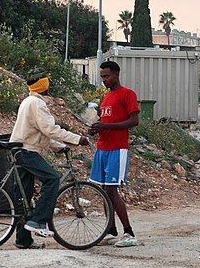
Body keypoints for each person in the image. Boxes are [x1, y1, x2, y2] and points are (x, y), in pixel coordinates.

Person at [10, 74, 89, 249]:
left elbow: (39, 132)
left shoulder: (27, 101)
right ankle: (38, 221)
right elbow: (50, 129)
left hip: (20, 150)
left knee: (25, 196)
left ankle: (23, 240)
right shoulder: (38, 103)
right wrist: (77, 139)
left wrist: (58, 146)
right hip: (28, 152)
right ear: (43, 88)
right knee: (52, 178)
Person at [89, 61, 140, 248]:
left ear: (116, 75)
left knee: (112, 189)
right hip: (102, 148)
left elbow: (134, 121)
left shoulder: (127, 94)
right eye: (102, 77)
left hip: (117, 149)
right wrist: (97, 129)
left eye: (107, 76)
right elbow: (106, 120)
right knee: (103, 190)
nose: (104, 80)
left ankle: (129, 232)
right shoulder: (106, 98)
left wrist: (106, 126)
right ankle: (110, 230)